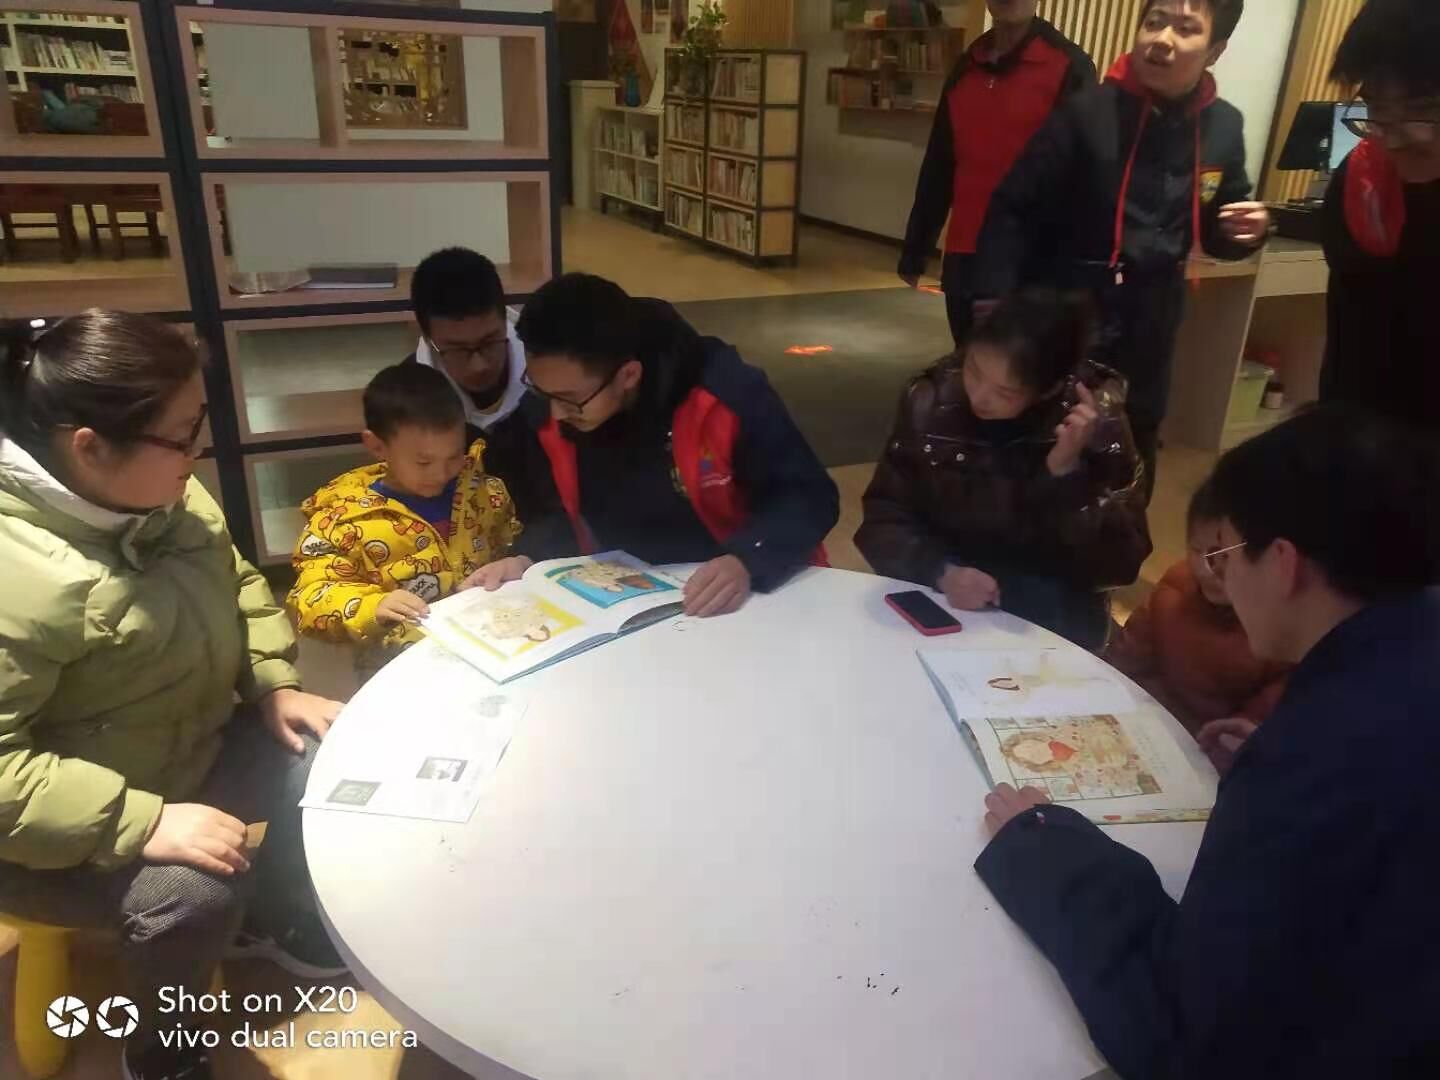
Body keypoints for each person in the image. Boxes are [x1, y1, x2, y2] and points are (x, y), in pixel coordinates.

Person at [976, 406, 1440, 1080]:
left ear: (1282, 563)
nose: (1215, 576)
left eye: (1225, 554)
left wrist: (1044, 849)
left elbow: (1186, 1033)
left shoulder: (1318, 757)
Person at [0, 312, 344, 1080]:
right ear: (90, 448)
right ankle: (164, 1051)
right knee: (190, 894)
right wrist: (141, 820)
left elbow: (237, 580)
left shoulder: (163, 492)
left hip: (182, 746)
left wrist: (272, 682)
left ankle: (270, 916)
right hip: (47, 835)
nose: (198, 455)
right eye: (183, 437)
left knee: (324, 748)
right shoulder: (14, 570)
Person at [972, 0, 1271, 498]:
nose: (1162, 39)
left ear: (1215, 50)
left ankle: (1120, 536)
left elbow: (1219, 222)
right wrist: (994, 303)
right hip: (1069, 306)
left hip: (1152, 315)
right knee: (1047, 431)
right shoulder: (1086, 113)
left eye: (1185, 29)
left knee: (1135, 434)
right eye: (1154, 22)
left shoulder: (1223, 125)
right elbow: (1011, 206)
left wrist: (1247, 230)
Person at [512, 273, 839, 619]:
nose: (556, 413)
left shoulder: (724, 393)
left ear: (629, 376)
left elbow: (809, 496)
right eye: (540, 390)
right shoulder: (546, 410)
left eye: (569, 399)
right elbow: (551, 512)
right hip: (630, 597)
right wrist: (528, 556)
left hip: (741, 591)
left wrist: (746, 558)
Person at [856, 289, 1151, 650]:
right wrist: (940, 571)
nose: (979, 396)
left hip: (1049, 613)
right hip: (948, 597)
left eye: (1004, 392)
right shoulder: (932, 402)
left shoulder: (1096, 423)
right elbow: (885, 516)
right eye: (974, 370)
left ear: (1048, 390)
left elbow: (1120, 565)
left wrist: (1065, 476)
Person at [289, 363, 528, 678]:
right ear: (377, 446)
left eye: (453, 457)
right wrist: (371, 606)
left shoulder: (485, 493)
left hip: (488, 653)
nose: (441, 474)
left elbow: (513, 545)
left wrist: (518, 563)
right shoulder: (341, 520)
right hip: (398, 670)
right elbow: (312, 595)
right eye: (424, 462)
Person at [898, 0, 1095, 346]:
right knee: (967, 361)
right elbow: (940, 164)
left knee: (1017, 372)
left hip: (1030, 264)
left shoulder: (1070, 66)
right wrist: (917, 247)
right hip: (965, 256)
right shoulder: (966, 66)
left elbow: (1083, 177)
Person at [1319, 0, 1440, 433]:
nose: (1395, 139)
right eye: (1376, 108)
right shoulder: (1364, 183)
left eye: (1423, 106)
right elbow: (1352, 349)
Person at [1106, 478, 1290, 736]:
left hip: (1208, 745)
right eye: (1195, 549)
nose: (1206, 570)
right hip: (1148, 725)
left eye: (1224, 556)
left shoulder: (1280, 630)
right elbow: (1127, 658)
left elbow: (1258, 720)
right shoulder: (1175, 586)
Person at [407, 246, 536, 498]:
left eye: (489, 342)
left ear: (505, 319)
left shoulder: (549, 371)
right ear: (428, 338)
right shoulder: (411, 398)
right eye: (458, 350)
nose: (480, 365)